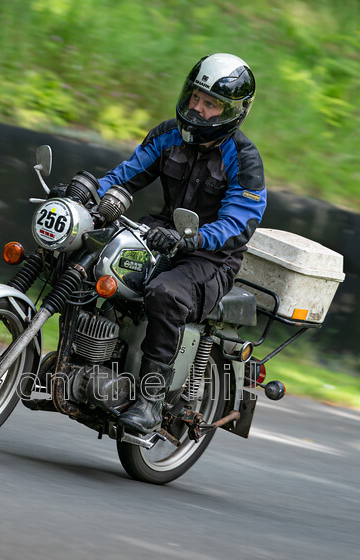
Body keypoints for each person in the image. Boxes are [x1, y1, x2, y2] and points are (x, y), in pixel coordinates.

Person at [95, 53, 267, 434]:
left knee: (165, 293)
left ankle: (150, 401)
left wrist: (190, 238)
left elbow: (239, 223)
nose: (198, 108)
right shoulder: (167, 135)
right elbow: (126, 176)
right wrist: (89, 193)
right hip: (161, 234)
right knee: (95, 254)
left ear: (232, 111)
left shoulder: (243, 159)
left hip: (210, 257)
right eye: (195, 97)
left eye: (210, 104)